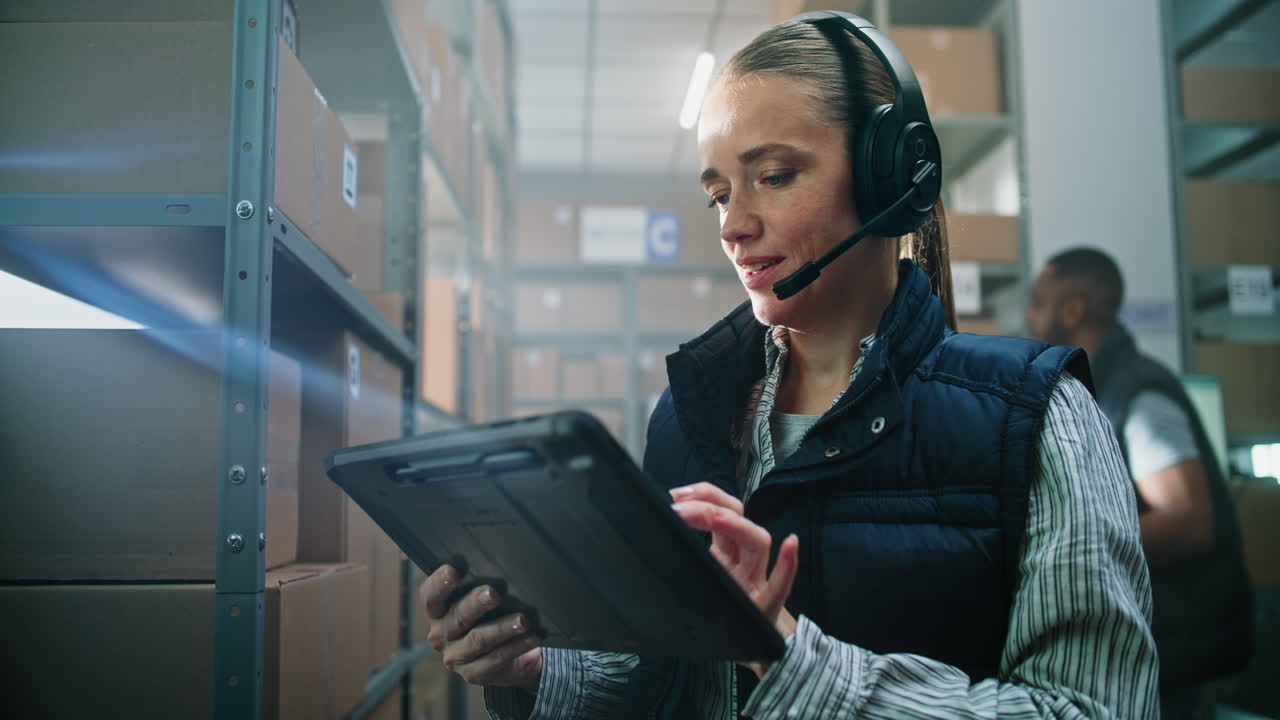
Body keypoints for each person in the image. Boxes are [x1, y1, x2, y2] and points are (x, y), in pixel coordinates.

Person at [421, 13, 1160, 718]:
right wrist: (539, 671)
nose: (734, 226)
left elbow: (1095, 708)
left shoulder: (1038, 417)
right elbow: (658, 676)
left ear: (890, 176)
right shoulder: (688, 417)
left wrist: (793, 665)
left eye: (772, 175)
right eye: (718, 193)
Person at [1026, 247, 1254, 718]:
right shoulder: (1098, 386)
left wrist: (1067, 546)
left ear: (1073, 309)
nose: (1030, 317)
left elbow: (1189, 522)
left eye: (1039, 302)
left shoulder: (1137, 391)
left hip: (1179, 657)